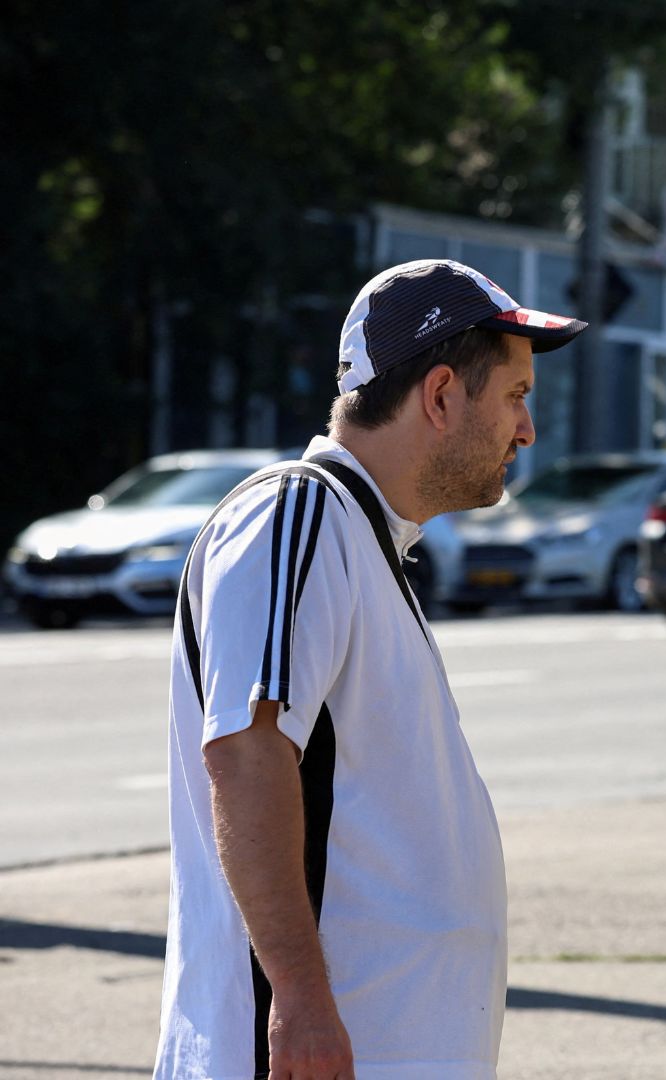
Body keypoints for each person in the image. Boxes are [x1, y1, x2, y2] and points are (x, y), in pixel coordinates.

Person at [154, 260, 585, 1079]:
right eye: (517, 397)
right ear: (441, 394)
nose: (526, 432)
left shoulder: (362, 539)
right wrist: (303, 1002)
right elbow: (247, 750)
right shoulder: (299, 511)